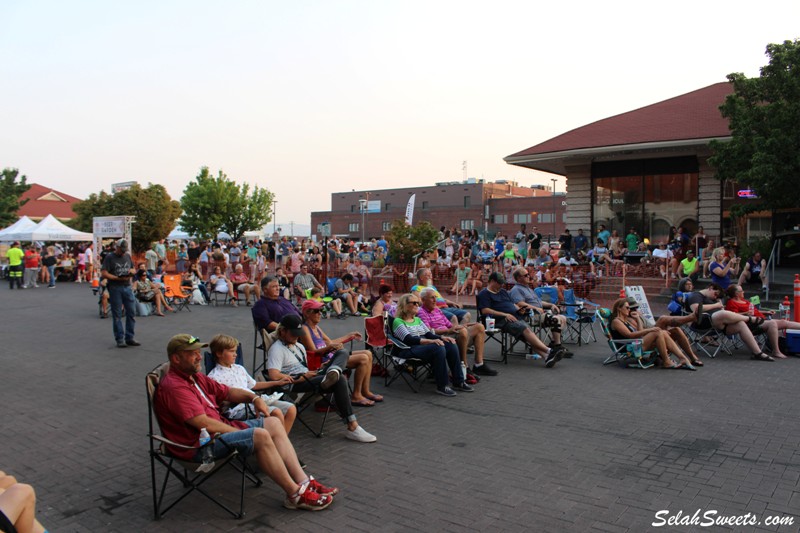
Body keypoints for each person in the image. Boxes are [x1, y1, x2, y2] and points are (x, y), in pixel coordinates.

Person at [154, 334, 337, 510]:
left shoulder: (195, 377)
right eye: (192, 353)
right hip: (200, 446)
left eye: (198, 352)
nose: (198, 357)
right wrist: (236, 433)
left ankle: (304, 481)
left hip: (216, 432)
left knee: (273, 422)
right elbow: (203, 423)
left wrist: (254, 399)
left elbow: (228, 392)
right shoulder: (175, 387)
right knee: (260, 435)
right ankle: (295, 495)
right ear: (176, 359)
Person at [268, 315, 377, 442]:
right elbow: (274, 376)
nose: (297, 337)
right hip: (297, 383)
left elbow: (305, 366)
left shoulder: (299, 346)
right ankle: (352, 426)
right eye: (293, 334)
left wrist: (321, 367)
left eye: (298, 334)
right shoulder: (276, 349)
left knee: (342, 352)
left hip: (311, 376)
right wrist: (301, 376)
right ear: (282, 331)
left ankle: (332, 371)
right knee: (340, 379)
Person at [299, 299, 383, 406]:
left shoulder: (317, 328)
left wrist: (349, 336)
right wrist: (330, 347)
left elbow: (331, 342)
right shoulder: (305, 329)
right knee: (363, 358)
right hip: (324, 362)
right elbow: (313, 352)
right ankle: (356, 396)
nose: (320, 313)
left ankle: (365, 391)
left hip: (332, 355)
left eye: (321, 310)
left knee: (368, 353)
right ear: (307, 313)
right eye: (317, 311)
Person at [206, 334, 297, 433]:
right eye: (231, 351)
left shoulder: (239, 368)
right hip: (237, 408)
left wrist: (277, 383)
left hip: (255, 401)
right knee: (276, 413)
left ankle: (281, 441)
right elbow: (217, 402)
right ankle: (278, 444)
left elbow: (253, 385)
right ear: (219, 353)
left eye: (235, 351)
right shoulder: (213, 377)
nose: (235, 354)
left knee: (291, 409)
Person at [391, 293, 474, 397]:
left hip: (420, 348)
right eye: (414, 303)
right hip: (407, 350)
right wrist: (432, 342)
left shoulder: (417, 320)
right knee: (438, 348)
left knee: (450, 344)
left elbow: (428, 334)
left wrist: (443, 338)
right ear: (405, 305)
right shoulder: (398, 321)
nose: (417, 305)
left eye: (418, 303)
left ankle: (458, 381)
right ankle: (442, 386)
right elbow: (409, 340)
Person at [477, 272, 565, 367]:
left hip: (514, 316)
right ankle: (549, 351)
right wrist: (505, 314)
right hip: (499, 320)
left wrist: (519, 309)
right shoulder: (484, 293)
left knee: (526, 334)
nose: (501, 285)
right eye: (499, 283)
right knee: (524, 329)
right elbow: (485, 310)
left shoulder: (502, 291)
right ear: (492, 281)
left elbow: (512, 304)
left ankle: (546, 356)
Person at [418, 288, 497, 380]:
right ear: (423, 300)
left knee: (479, 327)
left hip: (450, 334)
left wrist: (464, 325)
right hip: (440, 338)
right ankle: (463, 366)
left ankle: (479, 365)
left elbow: (450, 325)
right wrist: (449, 330)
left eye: (435, 297)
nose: (435, 300)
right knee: (462, 332)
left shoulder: (437, 310)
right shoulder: (421, 312)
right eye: (432, 298)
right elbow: (428, 331)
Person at [685, 283, 773, 361]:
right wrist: (716, 305)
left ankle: (757, 353)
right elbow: (696, 309)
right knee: (722, 314)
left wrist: (719, 305)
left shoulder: (712, 299)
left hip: (718, 324)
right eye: (715, 294)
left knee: (740, 324)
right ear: (710, 288)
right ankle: (749, 319)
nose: (716, 297)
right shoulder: (696, 295)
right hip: (701, 323)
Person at [609, 298, 696, 369]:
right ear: (619, 308)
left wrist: (638, 319)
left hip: (636, 344)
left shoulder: (625, 321)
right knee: (657, 331)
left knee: (662, 332)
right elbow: (629, 335)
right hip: (629, 348)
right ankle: (667, 361)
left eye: (629, 308)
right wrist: (650, 330)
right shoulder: (616, 321)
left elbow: (639, 333)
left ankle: (682, 358)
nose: (629, 310)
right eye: (627, 308)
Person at [508, 267, 573, 357]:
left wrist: (551, 305)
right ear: (519, 278)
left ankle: (554, 345)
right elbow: (520, 304)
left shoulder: (528, 288)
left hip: (539, 313)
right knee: (555, 320)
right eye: (526, 275)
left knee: (562, 318)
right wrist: (536, 308)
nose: (528, 276)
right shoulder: (516, 289)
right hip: (529, 316)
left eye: (528, 274)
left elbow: (539, 302)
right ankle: (558, 347)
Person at [725, 284, 800, 359]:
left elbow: (754, 311)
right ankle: (776, 351)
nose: (743, 292)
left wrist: (766, 312)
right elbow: (732, 315)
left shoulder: (743, 300)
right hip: (752, 325)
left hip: (761, 320)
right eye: (742, 291)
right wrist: (745, 313)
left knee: (783, 322)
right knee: (772, 323)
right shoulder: (731, 303)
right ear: (736, 294)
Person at [101, 239, 139, 348]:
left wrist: (132, 271)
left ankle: (129, 337)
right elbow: (104, 273)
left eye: (124, 250)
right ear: (116, 247)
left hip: (127, 286)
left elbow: (133, 268)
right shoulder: (109, 257)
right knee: (117, 314)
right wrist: (116, 278)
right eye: (121, 250)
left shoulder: (127, 256)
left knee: (131, 312)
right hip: (115, 287)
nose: (122, 252)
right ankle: (120, 339)